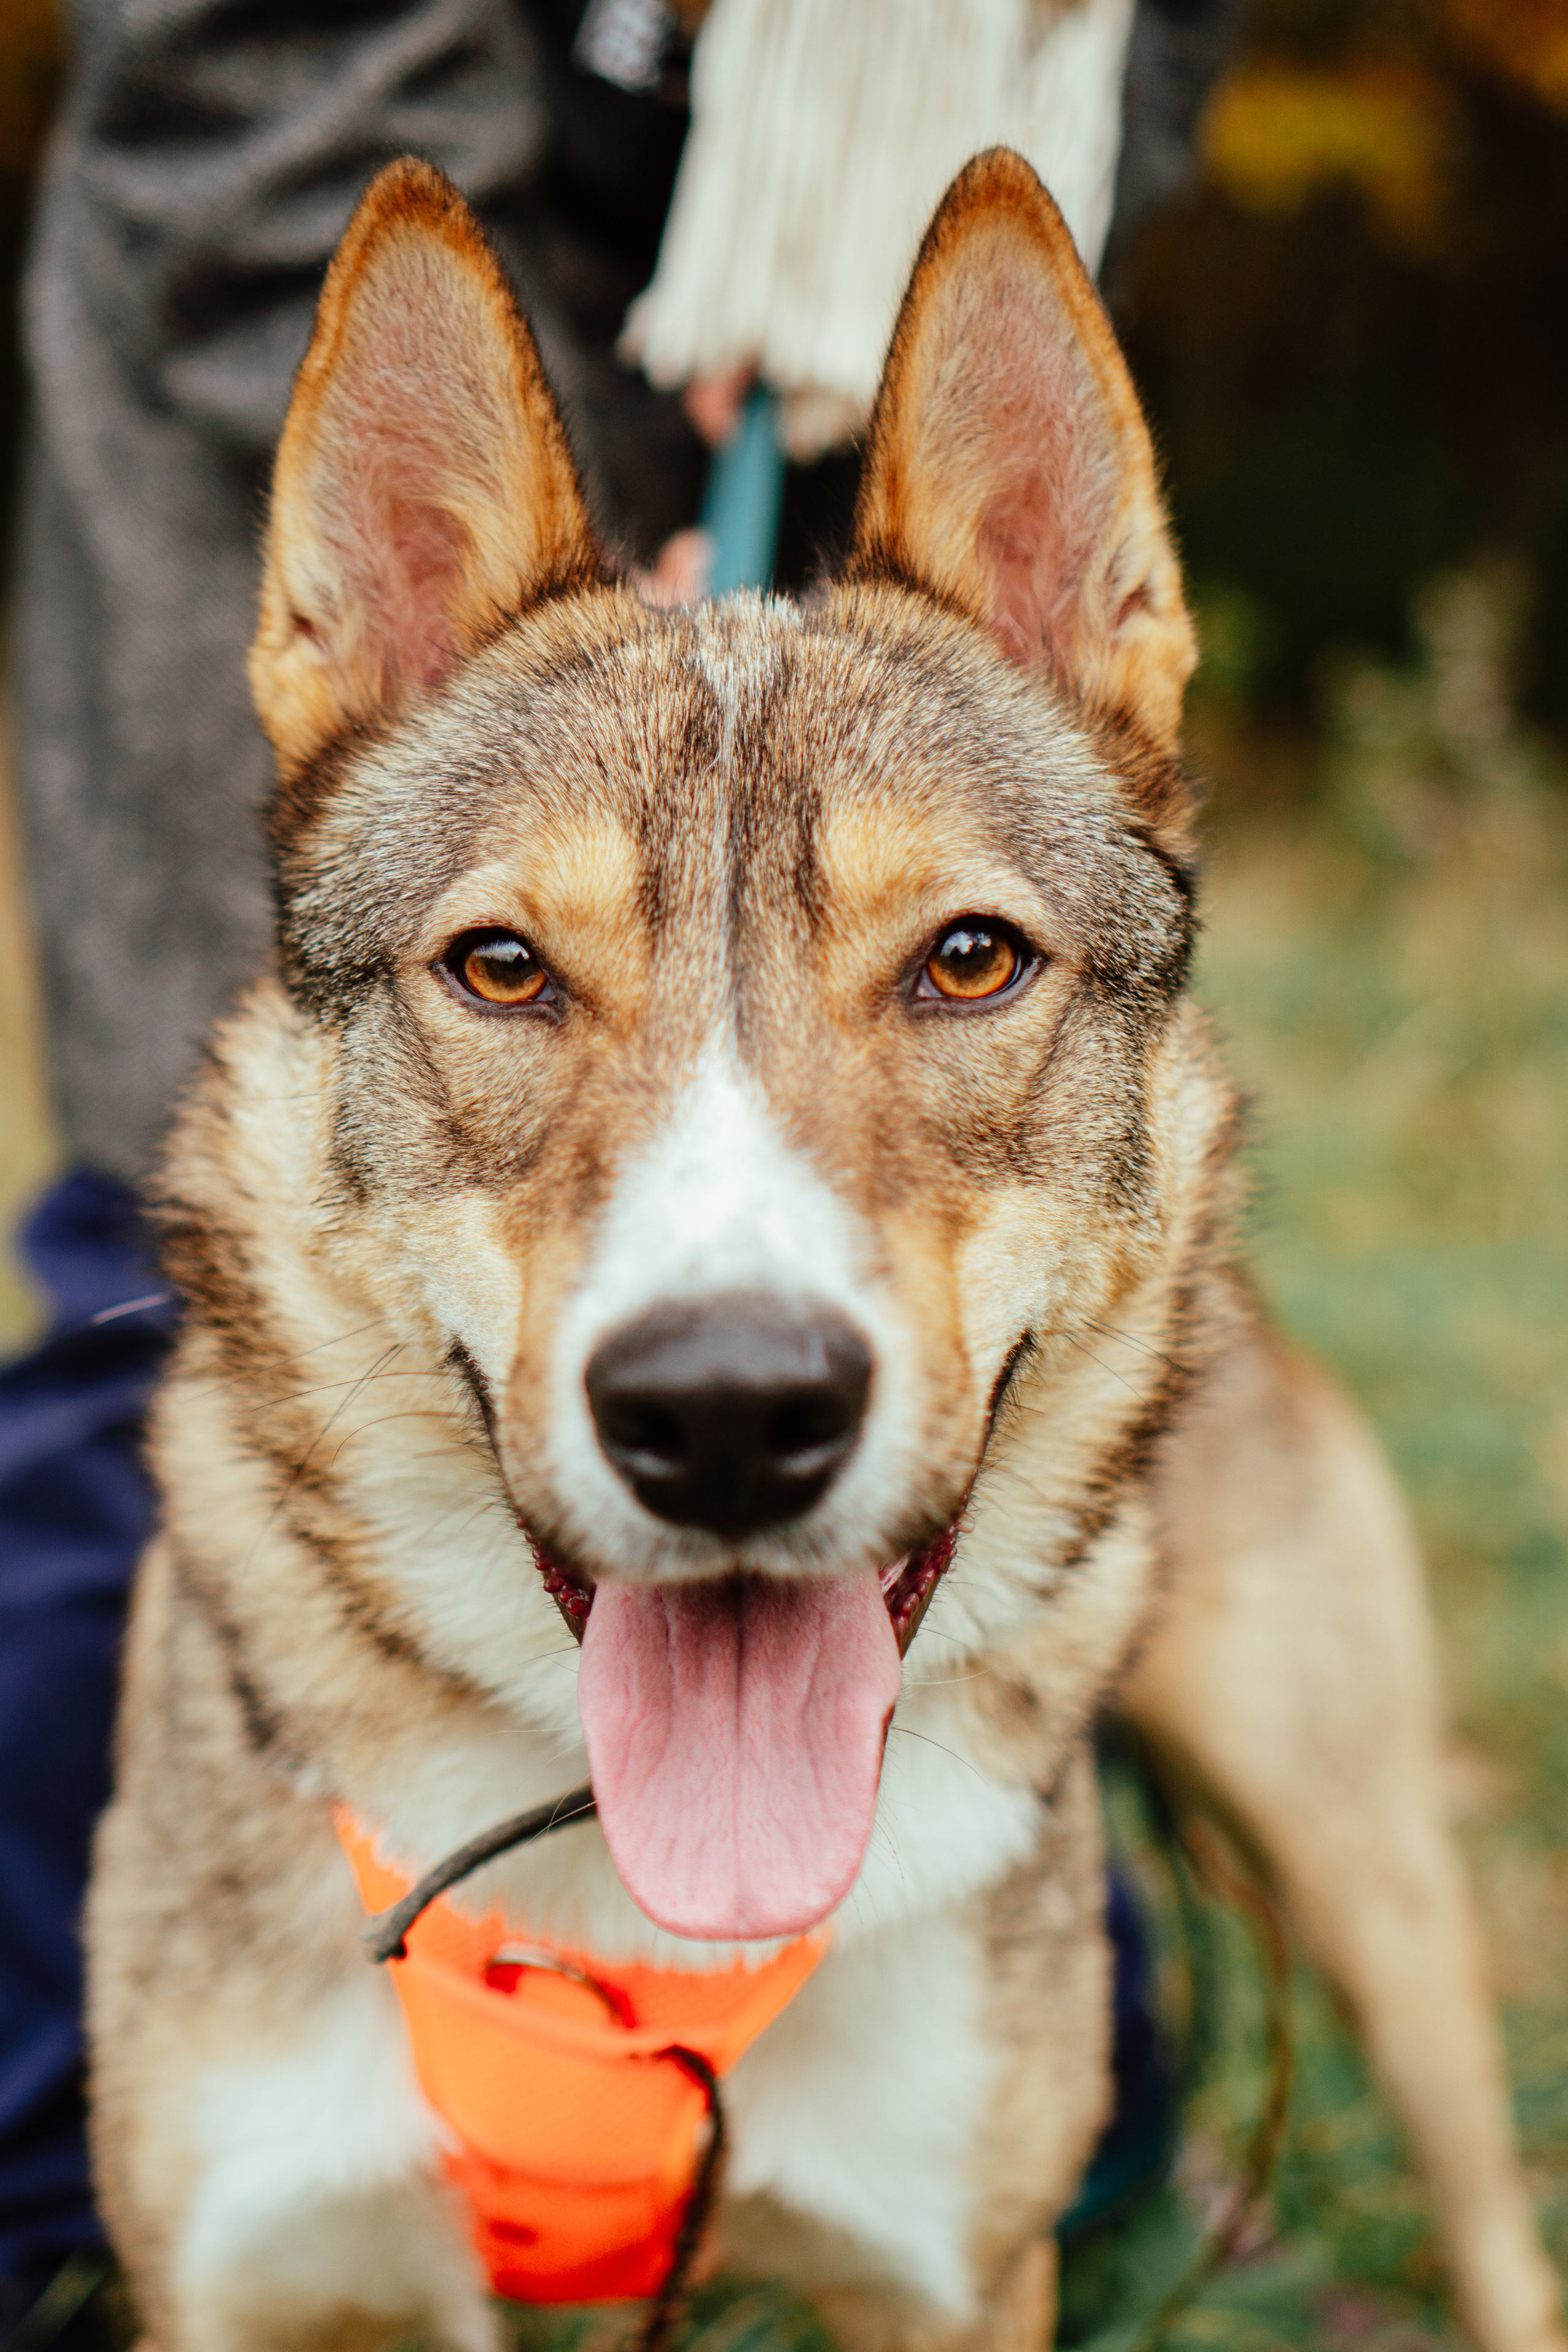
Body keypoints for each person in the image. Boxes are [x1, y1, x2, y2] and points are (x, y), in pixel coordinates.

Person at [0, 3, 1234, 2337]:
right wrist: (516, 654)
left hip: (854, 353)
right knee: (109, 1385)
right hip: (311, 316)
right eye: (510, 968)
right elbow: (266, 97)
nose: (736, 1311)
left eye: (964, 957)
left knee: (1068, 2152)